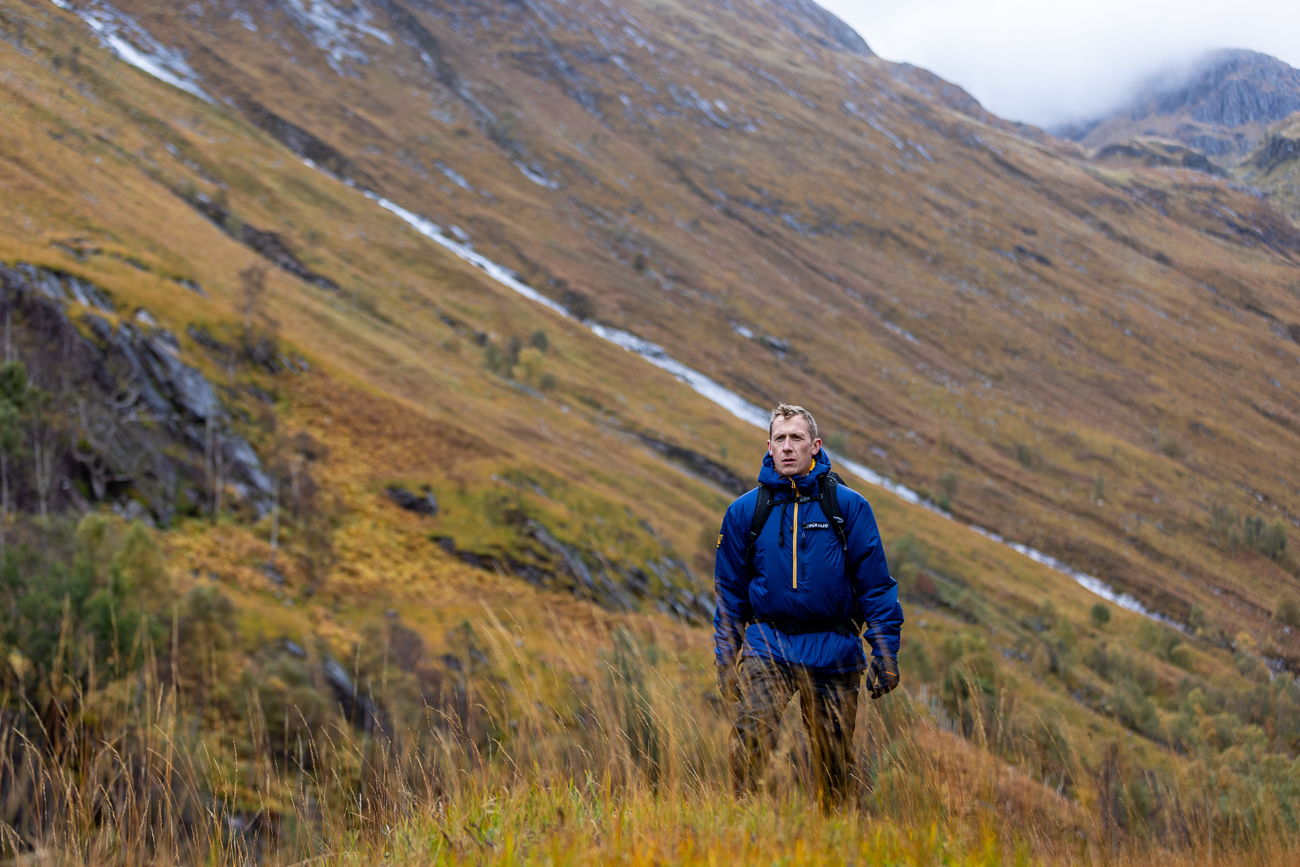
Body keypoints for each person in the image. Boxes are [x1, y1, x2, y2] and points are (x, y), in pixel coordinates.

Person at [713, 403, 903, 804]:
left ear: (814, 446)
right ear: (768, 446)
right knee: (750, 736)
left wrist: (885, 651)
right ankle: (742, 828)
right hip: (770, 645)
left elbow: (875, 585)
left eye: (796, 438)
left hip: (833, 650)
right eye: (779, 439)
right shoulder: (746, 512)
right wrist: (725, 658)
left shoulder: (848, 507)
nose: (787, 447)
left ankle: (833, 838)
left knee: (833, 762)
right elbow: (730, 594)